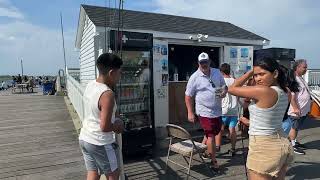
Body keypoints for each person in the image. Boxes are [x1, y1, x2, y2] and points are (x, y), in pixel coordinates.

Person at [228, 58, 293, 179]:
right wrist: (248, 122)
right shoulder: (286, 91)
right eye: (256, 75)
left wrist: (249, 72)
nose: (257, 78)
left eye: (262, 74)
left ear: (275, 73)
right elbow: (269, 118)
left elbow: (232, 89)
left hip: (264, 147)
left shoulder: (263, 91)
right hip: (282, 143)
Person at [79, 53, 124, 180]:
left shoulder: (91, 84)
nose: (120, 76)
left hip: (85, 138)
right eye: (119, 73)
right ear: (111, 73)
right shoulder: (107, 94)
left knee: (93, 172)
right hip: (100, 141)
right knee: (114, 175)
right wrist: (118, 126)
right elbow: (104, 126)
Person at [185, 52, 226, 169]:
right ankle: (214, 161)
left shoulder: (217, 72)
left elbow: (223, 86)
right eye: (201, 62)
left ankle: (205, 150)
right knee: (211, 135)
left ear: (209, 61)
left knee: (216, 132)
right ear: (198, 63)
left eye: (206, 62)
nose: (204, 64)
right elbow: (188, 96)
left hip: (217, 110)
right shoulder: (194, 77)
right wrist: (190, 112)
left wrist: (224, 92)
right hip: (204, 111)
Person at [286, 59, 311, 155]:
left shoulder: (301, 78)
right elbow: (291, 96)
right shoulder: (294, 80)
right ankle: (292, 146)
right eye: (304, 67)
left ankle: (294, 141)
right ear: (297, 67)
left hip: (303, 110)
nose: (306, 69)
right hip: (296, 110)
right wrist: (295, 108)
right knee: (294, 127)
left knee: (297, 127)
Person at [219, 63, 239, 156]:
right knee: (232, 129)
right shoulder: (235, 81)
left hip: (223, 109)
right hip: (234, 109)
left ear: (221, 71)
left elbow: (217, 96)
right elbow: (238, 96)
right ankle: (233, 148)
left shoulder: (220, 80)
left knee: (220, 129)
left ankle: (217, 146)